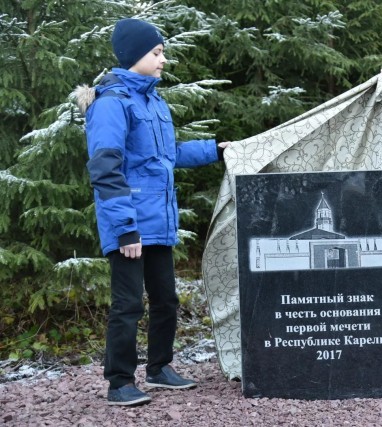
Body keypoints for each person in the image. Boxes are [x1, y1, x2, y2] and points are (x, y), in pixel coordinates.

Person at [75, 18, 227, 405]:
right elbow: (106, 170)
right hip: (128, 224)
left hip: (158, 221)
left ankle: (159, 368)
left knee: (166, 300)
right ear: (134, 56)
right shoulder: (110, 105)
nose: (163, 60)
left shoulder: (153, 102)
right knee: (128, 303)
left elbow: (167, 156)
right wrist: (125, 229)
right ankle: (120, 382)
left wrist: (218, 150)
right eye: (157, 53)